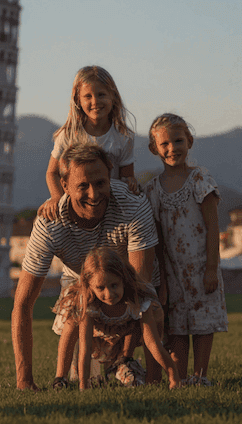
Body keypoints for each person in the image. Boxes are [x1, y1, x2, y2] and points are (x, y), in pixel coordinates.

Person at [11, 143, 159, 391]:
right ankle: (72, 374)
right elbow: (23, 303)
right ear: (64, 186)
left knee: (151, 304)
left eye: (100, 183)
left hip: (126, 284)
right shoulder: (49, 224)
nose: (93, 193)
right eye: (83, 186)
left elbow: (141, 286)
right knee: (85, 370)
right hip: (80, 286)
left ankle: (137, 368)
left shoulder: (133, 205)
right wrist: (24, 380)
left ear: (110, 175)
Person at [143, 113, 228, 387]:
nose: (172, 149)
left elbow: (213, 227)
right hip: (172, 273)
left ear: (189, 141)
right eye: (164, 144)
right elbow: (155, 238)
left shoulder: (200, 179)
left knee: (203, 325)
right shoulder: (153, 190)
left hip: (202, 268)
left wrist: (212, 268)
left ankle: (200, 376)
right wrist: (162, 281)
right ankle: (178, 378)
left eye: (178, 140)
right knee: (176, 326)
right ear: (154, 148)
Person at [53, 247, 182, 390]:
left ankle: (133, 367)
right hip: (97, 331)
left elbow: (153, 344)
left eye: (114, 285)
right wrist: (84, 384)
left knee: (155, 319)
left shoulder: (137, 299)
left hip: (123, 330)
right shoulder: (87, 302)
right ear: (90, 286)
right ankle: (60, 378)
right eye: (100, 288)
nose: (108, 294)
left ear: (124, 278)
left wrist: (173, 375)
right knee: (71, 323)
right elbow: (85, 347)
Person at [38, 66, 139, 222]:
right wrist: (56, 198)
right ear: (78, 99)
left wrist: (131, 182)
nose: (95, 101)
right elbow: (52, 173)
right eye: (88, 96)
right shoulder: (68, 135)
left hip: (109, 207)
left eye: (101, 95)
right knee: (46, 219)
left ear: (113, 96)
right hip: (76, 205)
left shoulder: (123, 137)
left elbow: (126, 177)